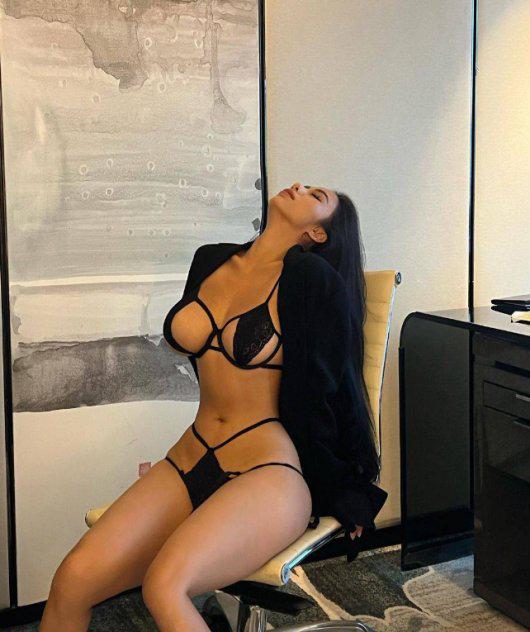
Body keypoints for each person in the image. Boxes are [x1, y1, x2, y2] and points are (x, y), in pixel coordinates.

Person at [40, 182, 384, 631]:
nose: (299, 187)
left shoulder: (311, 280)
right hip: (190, 458)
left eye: (315, 196)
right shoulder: (210, 260)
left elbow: (334, 389)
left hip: (266, 471)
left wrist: (349, 486)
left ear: (318, 234)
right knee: (72, 579)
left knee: (165, 586)